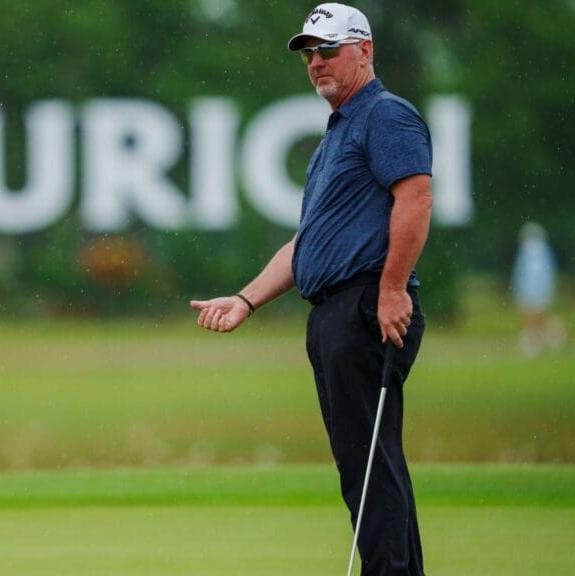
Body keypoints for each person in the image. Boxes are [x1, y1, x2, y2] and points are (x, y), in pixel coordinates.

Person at [190, 4, 432, 575]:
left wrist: (392, 289)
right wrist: (246, 299)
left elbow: (415, 197)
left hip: (366, 305)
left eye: (328, 49)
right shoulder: (338, 133)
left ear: (364, 50)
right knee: (365, 463)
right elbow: (309, 243)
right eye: (309, 53)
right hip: (336, 313)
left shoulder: (385, 115)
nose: (316, 62)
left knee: (368, 466)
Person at [511, 221, 563, 356]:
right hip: (530, 291)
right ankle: (536, 342)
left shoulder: (542, 253)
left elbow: (546, 275)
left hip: (538, 291)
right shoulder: (527, 253)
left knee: (538, 317)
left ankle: (545, 340)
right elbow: (521, 275)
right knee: (531, 318)